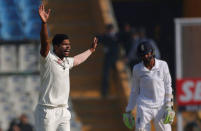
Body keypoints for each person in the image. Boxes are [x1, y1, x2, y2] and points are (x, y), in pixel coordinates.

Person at [34, 3, 97, 131]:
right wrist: (44, 24)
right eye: (64, 44)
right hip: (47, 111)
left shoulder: (67, 62)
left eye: (69, 44)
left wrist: (90, 50)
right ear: (55, 47)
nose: (68, 47)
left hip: (63, 110)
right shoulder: (48, 59)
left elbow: (78, 59)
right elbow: (44, 42)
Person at [123, 41, 175, 131]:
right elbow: (134, 91)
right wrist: (128, 110)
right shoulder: (137, 69)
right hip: (144, 106)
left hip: (160, 105)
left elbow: (168, 87)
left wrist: (169, 106)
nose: (145, 57)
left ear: (152, 52)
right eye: (143, 55)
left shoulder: (163, 65)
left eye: (147, 54)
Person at [99, 24, 119, 97]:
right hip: (108, 58)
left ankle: (116, 92)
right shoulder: (105, 37)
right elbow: (99, 38)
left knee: (115, 75)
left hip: (115, 59)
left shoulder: (116, 36)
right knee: (106, 75)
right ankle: (105, 92)